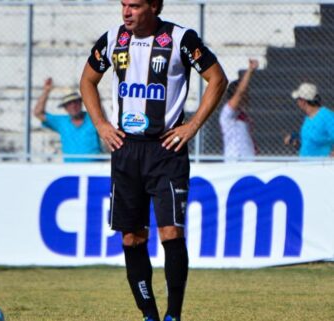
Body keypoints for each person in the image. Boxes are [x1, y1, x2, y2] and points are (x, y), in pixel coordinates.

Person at [79, 1, 228, 320]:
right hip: (126, 150)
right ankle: (149, 315)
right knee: (132, 236)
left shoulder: (181, 39)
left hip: (166, 150)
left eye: (134, 5)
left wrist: (192, 126)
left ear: (154, 6)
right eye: (123, 4)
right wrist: (102, 125)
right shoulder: (112, 39)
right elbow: (87, 81)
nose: (126, 12)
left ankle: (173, 315)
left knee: (171, 231)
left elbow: (217, 79)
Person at [33, 77, 102, 162]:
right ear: (65, 108)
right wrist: (46, 91)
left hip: (94, 169)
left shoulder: (93, 117)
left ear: (81, 103)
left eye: (75, 102)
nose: (73, 106)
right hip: (70, 170)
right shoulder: (62, 122)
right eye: (69, 104)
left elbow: (101, 112)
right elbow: (38, 113)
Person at [219, 59, 258, 160]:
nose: (247, 96)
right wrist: (249, 71)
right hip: (236, 160)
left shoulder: (244, 116)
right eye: (245, 93)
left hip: (248, 161)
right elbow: (240, 93)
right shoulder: (227, 112)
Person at [285, 82, 334, 157]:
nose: (297, 102)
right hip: (306, 166)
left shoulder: (327, 116)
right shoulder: (308, 118)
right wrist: (296, 142)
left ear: (303, 102)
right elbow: (310, 145)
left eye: (298, 100)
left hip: (321, 166)